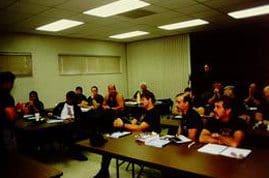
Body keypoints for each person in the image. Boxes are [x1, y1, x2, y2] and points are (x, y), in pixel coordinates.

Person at [93, 91, 160, 178]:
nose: (141, 102)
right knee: (109, 146)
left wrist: (123, 124)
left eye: (143, 100)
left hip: (149, 141)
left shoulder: (154, 112)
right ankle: (104, 171)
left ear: (150, 100)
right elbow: (133, 123)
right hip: (136, 135)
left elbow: (140, 128)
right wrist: (122, 122)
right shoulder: (142, 110)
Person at [0, 71, 18, 152]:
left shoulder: (7, 95)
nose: (12, 86)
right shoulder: (6, 96)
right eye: (11, 82)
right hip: (5, 129)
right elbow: (10, 115)